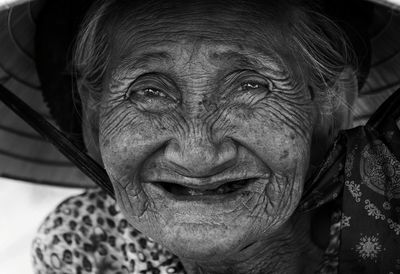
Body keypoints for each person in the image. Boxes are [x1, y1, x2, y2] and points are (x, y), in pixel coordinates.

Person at [30, 0, 400, 273]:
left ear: (330, 107)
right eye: (149, 92)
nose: (198, 155)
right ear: (94, 115)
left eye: (250, 86)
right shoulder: (86, 245)